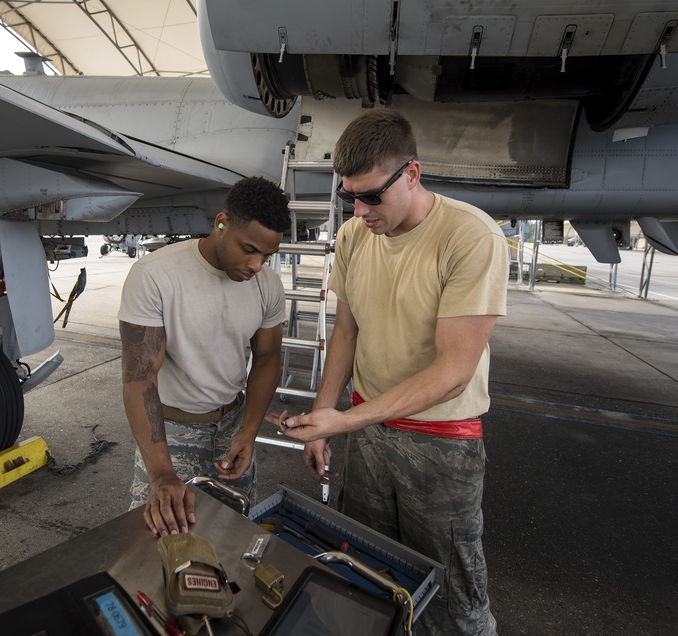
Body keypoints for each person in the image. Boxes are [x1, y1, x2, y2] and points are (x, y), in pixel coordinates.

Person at [274, 109, 508, 635]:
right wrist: (323, 414)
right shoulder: (358, 236)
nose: (359, 211)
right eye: (348, 197)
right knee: (370, 573)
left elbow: (453, 372)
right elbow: (347, 333)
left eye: (372, 196)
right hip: (369, 432)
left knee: (452, 598)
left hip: (441, 442)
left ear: (412, 174)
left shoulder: (470, 237)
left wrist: (343, 422)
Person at [119, 176, 290, 537]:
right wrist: (162, 474)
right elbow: (139, 378)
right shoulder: (155, 275)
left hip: (232, 426)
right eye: (249, 249)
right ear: (222, 224)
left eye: (267, 255)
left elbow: (268, 358)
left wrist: (249, 432)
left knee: (234, 536)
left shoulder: (267, 285)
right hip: (171, 430)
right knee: (155, 546)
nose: (257, 265)